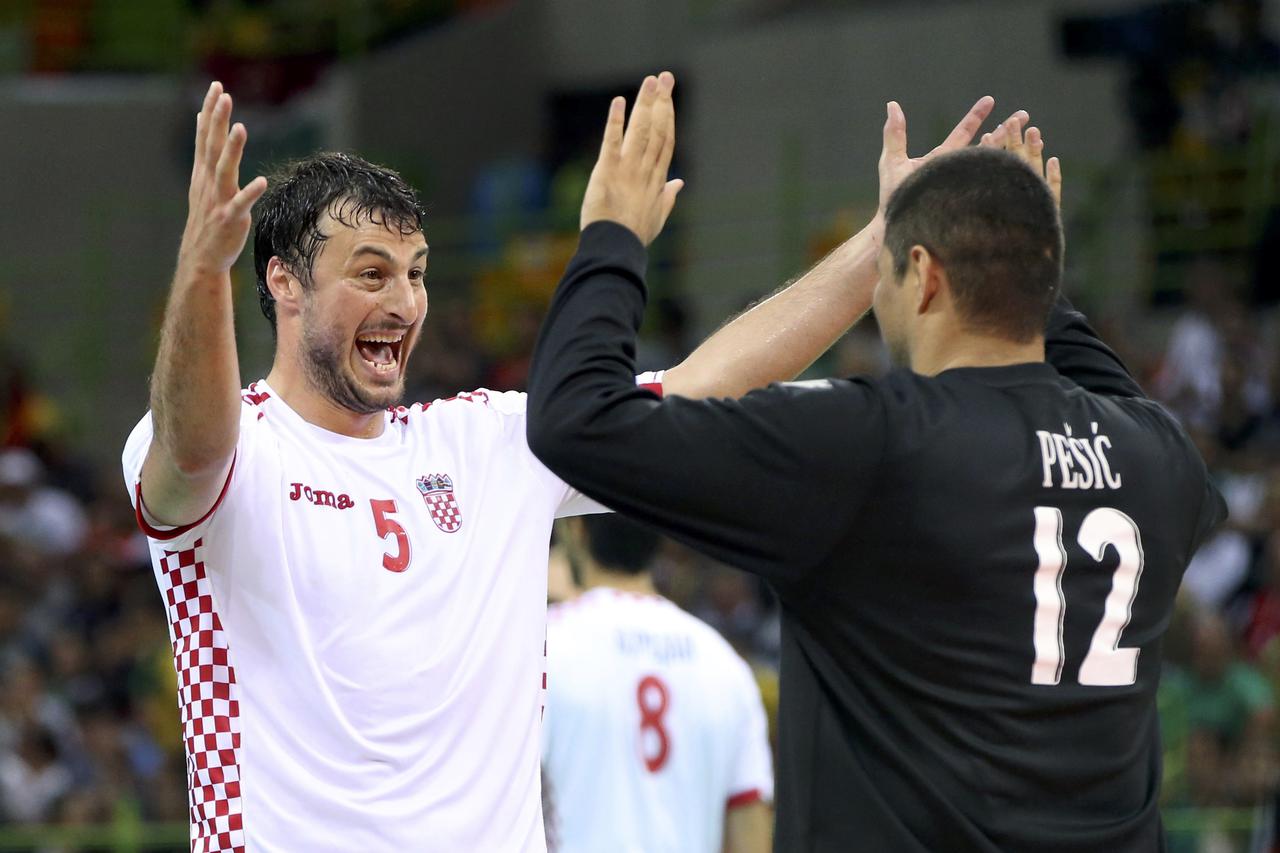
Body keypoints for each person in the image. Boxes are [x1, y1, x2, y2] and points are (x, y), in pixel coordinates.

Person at [118, 77, 999, 850]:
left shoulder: (484, 440)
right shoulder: (238, 443)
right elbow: (193, 448)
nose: (405, 303)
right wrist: (201, 272)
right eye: (372, 274)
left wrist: (886, 238)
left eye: (416, 274)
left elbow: (705, 384)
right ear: (281, 283)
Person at [527, 71, 1227, 850]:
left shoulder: (868, 442)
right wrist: (1024, 257)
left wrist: (613, 238)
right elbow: (1110, 396)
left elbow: (575, 422)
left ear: (923, 276)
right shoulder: (1160, 459)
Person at [542, 515, 773, 853]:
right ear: (662, 538)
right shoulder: (724, 665)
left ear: (576, 530)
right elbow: (750, 838)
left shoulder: (544, 647)